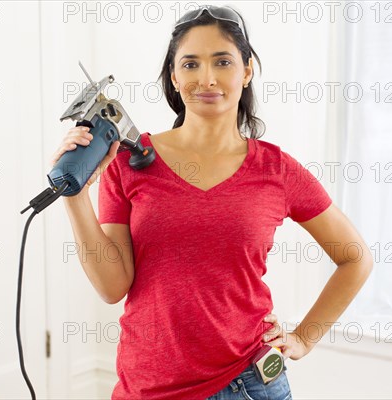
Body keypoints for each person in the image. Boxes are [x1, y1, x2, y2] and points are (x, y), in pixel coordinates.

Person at [53, 5, 373, 400]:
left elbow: (355, 257)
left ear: (246, 71)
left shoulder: (277, 169)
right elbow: (112, 287)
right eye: (190, 64)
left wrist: (304, 338)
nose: (206, 78)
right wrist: (75, 196)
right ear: (174, 75)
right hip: (149, 387)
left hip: (248, 383)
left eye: (222, 61)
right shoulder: (128, 162)